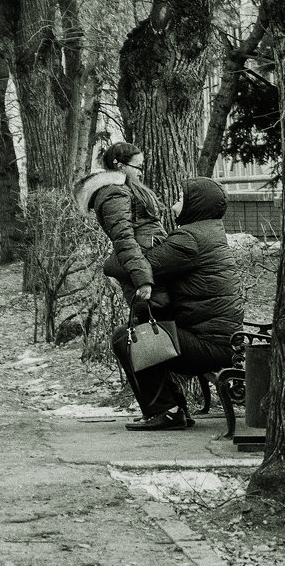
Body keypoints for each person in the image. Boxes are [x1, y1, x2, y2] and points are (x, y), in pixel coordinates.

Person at [111, 176, 243, 431]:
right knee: (139, 335)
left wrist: (121, 252)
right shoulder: (207, 231)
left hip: (211, 344)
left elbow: (134, 266)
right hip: (218, 339)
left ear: (197, 204)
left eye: (181, 200)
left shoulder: (190, 239)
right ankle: (173, 409)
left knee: (127, 339)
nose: (173, 206)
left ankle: (168, 412)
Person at [73, 142, 169, 310]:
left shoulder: (125, 188)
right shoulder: (114, 193)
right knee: (155, 327)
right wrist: (142, 279)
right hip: (143, 270)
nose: (141, 172)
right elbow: (123, 238)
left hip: (149, 264)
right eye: (137, 167)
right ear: (120, 165)